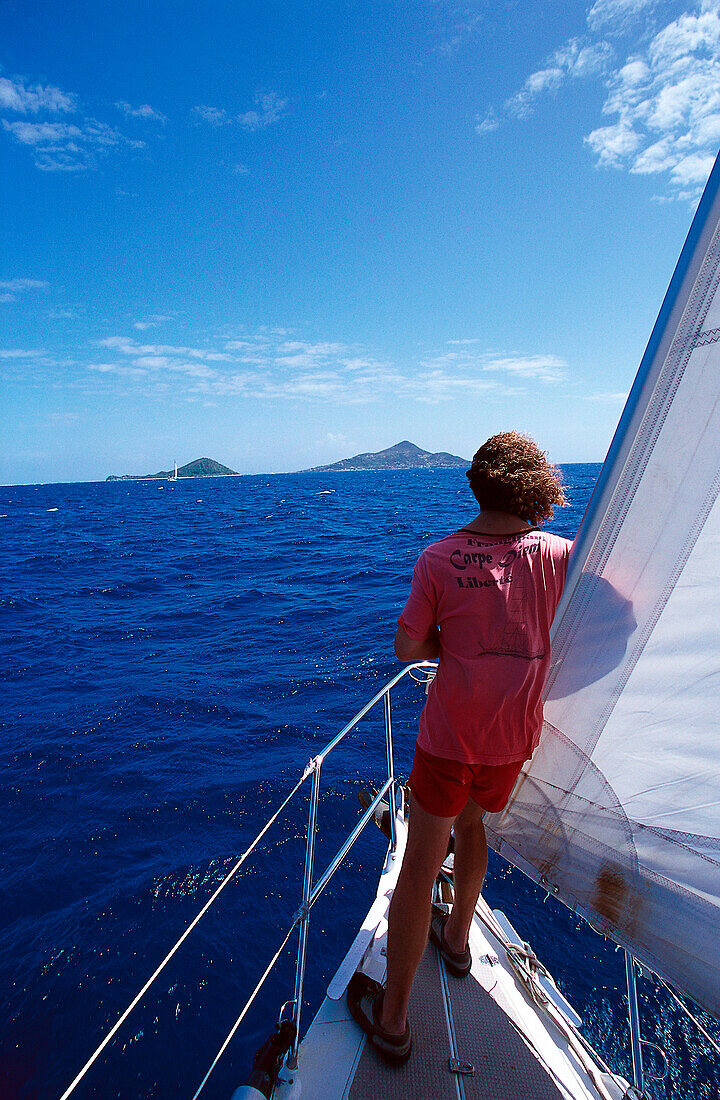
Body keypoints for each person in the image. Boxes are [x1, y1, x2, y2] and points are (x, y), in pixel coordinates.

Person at [347, 431, 572, 1064]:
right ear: (534, 484)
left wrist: (455, 649)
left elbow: (407, 649)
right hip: (511, 739)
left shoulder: (439, 559)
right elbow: (617, 613)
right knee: (475, 829)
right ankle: (459, 938)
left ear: (475, 484)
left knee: (421, 866)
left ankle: (393, 1020)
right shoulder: (561, 556)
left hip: (450, 739)